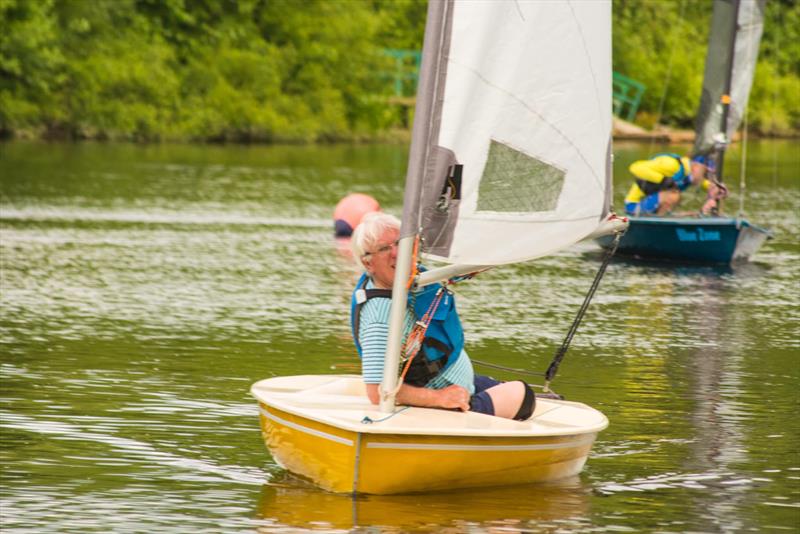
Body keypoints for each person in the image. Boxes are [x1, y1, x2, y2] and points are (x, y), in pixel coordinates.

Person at [349, 212, 535, 420]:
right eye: (384, 249)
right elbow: (376, 391)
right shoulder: (380, 317)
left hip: (449, 377)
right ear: (368, 264)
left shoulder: (406, 281)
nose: (397, 253)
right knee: (523, 395)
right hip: (439, 404)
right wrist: (439, 398)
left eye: (400, 242)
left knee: (537, 396)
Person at [623, 153, 728, 216]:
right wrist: (663, 180)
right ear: (696, 167)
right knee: (674, 195)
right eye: (705, 172)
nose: (705, 176)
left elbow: (703, 182)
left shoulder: (690, 175)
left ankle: (663, 218)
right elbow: (634, 167)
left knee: (677, 197)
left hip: (653, 207)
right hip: (634, 206)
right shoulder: (672, 164)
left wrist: (715, 189)